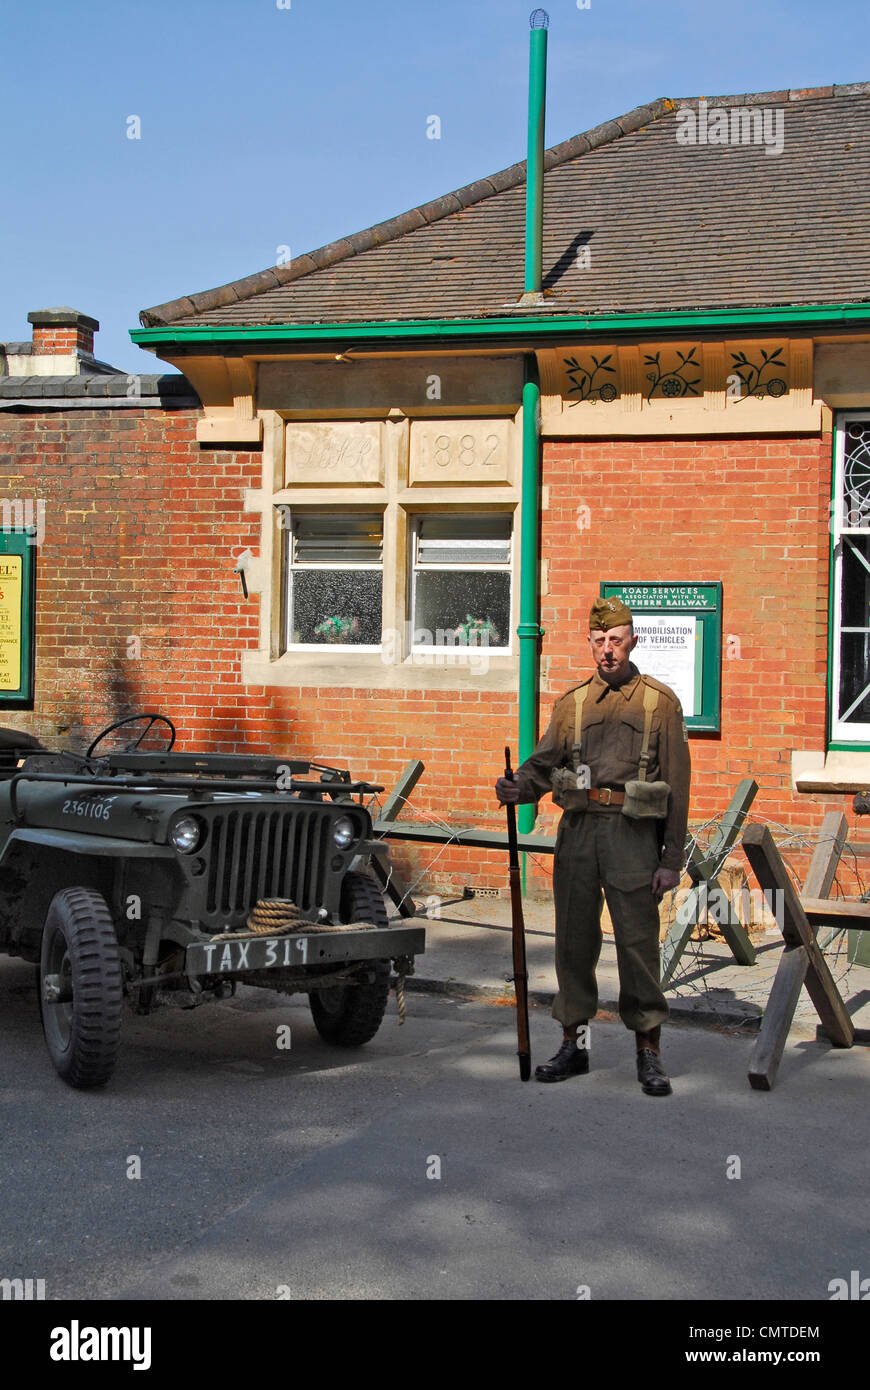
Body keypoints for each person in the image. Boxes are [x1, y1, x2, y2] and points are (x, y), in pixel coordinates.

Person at [495, 597, 691, 1096]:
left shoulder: (659, 703)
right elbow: (543, 762)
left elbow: (678, 784)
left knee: (637, 947)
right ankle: (574, 1046)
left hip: (633, 836)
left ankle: (649, 1053)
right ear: (589, 644)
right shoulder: (572, 703)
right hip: (579, 833)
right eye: (600, 641)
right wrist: (519, 786)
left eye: (616, 639)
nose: (608, 650)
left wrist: (672, 860)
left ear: (633, 641)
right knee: (574, 945)